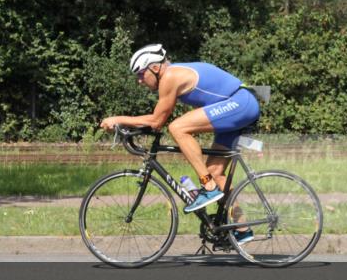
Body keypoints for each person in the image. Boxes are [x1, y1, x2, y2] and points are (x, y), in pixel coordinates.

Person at [99, 44, 260, 243]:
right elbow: (156, 123)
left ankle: (207, 187)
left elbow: (157, 121)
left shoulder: (170, 77)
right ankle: (242, 228)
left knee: (178, 127)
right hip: (237, 104)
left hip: (241, 103)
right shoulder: (173, 74)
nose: (139, 80)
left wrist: (119, 119)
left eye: (141, 74)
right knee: (216, 172)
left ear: (155, 68)